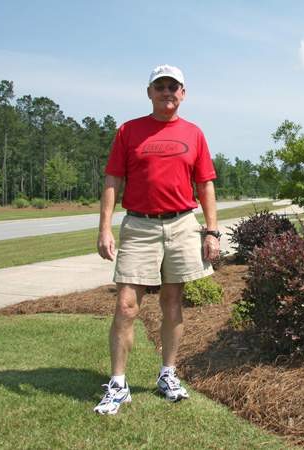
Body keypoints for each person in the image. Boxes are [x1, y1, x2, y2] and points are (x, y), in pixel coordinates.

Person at [93, 64, 220, 415]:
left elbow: (205, 184)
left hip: (181, 225)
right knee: (126, 306)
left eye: (173, 87)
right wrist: (104, 228)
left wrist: (211, 230)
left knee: (173, 304)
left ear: (183, 93)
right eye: (160, 86)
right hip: (139, 227)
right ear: (149, 92)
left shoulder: (194, 134)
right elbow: (112, 180)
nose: (167, 92)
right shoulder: (128, 131)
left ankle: (168, 374)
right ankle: (118, 385)